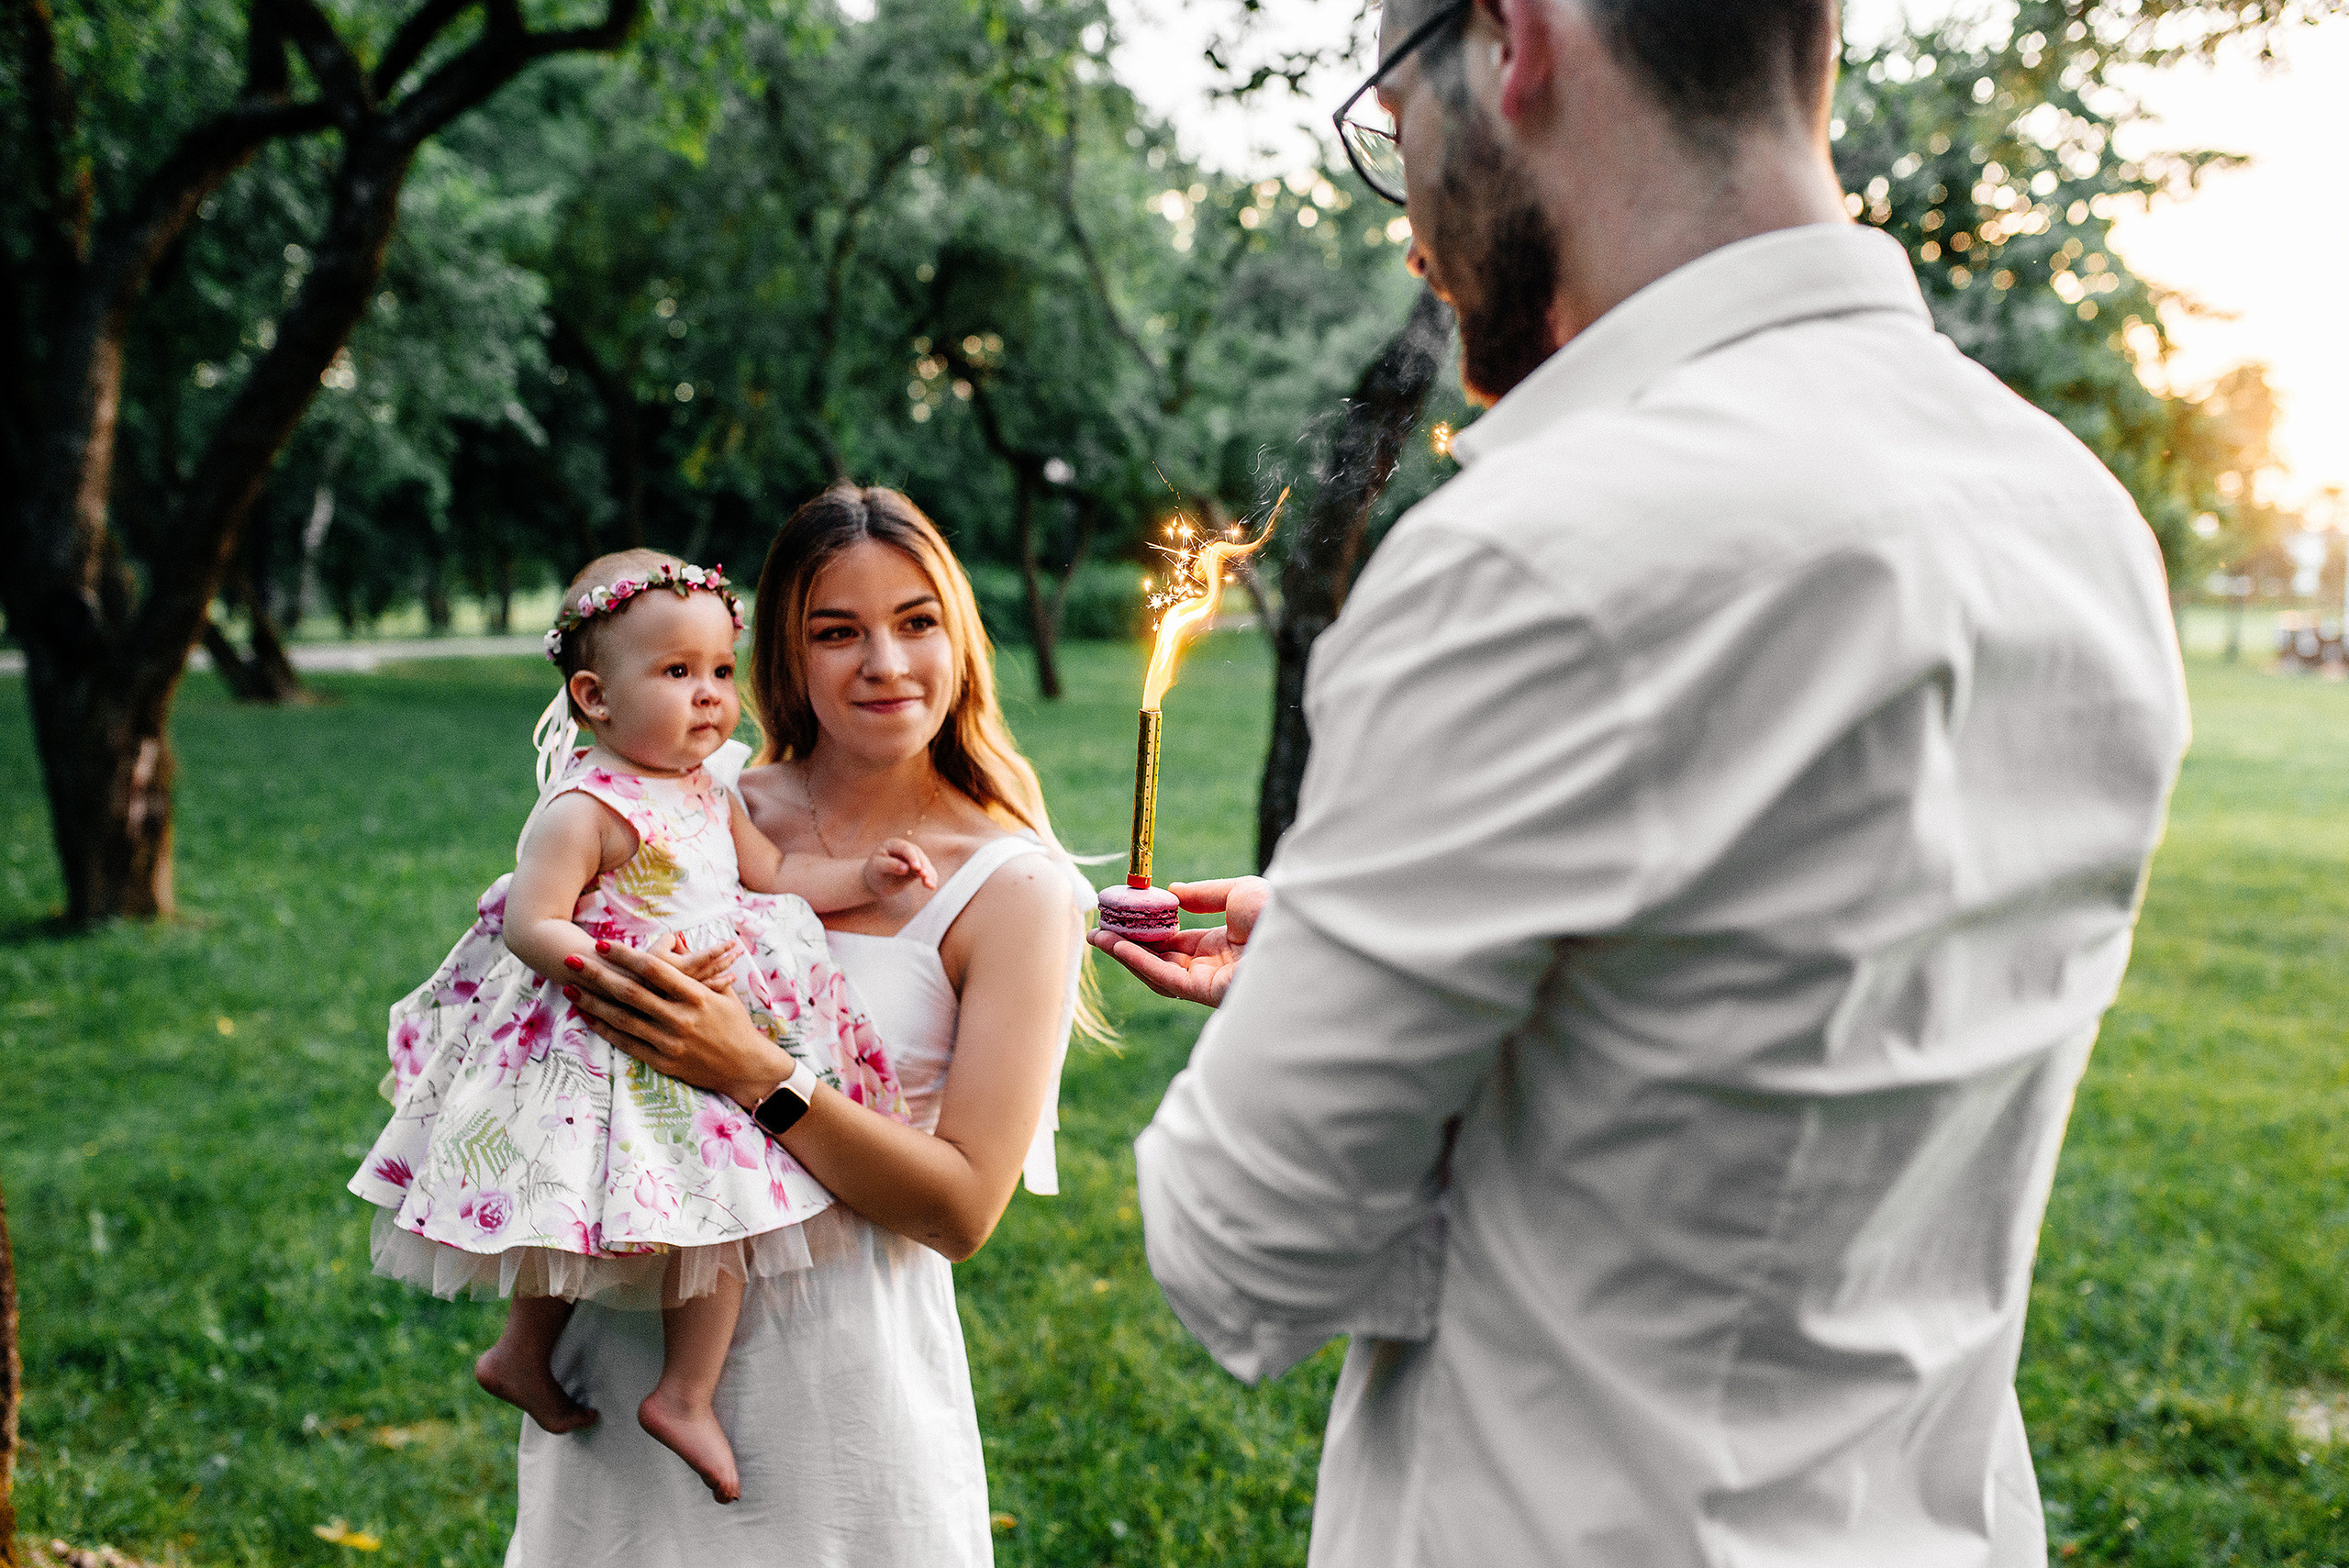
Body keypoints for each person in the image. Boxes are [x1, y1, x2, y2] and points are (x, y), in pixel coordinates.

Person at [1092, 1, 2191, 1562]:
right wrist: (1411, 948)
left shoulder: (1541, 552)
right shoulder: (2073, 516)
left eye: (1388, 125)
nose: (1411, 226)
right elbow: (1793, 1041)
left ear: (1509, 44)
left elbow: (1239, 1254)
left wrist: (1349, 1000)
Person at [514, 484, 1092, 1566]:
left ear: (960, 635)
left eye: (917, 621)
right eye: (838, 631)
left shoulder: (1015, 888)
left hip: (842, 1407)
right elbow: (551, 970)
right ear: (782, 650)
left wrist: (756, 1073)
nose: (884, 662)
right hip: (622, 1354)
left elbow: (962, 1209)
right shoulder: (691, 796)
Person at [351, 549, 935, 1505]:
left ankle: (680, 1389)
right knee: (573, 1205)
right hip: (612, 1031)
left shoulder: (709, 788)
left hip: (707, 1030)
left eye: (718, 671)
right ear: (594, 695)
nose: (709, 697)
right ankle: (526, 1351)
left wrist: (863, 881)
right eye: (675, 673)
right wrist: (617, 967)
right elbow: (532, 921)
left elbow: (773, 877)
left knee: (722, 1205)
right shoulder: (585, 804)